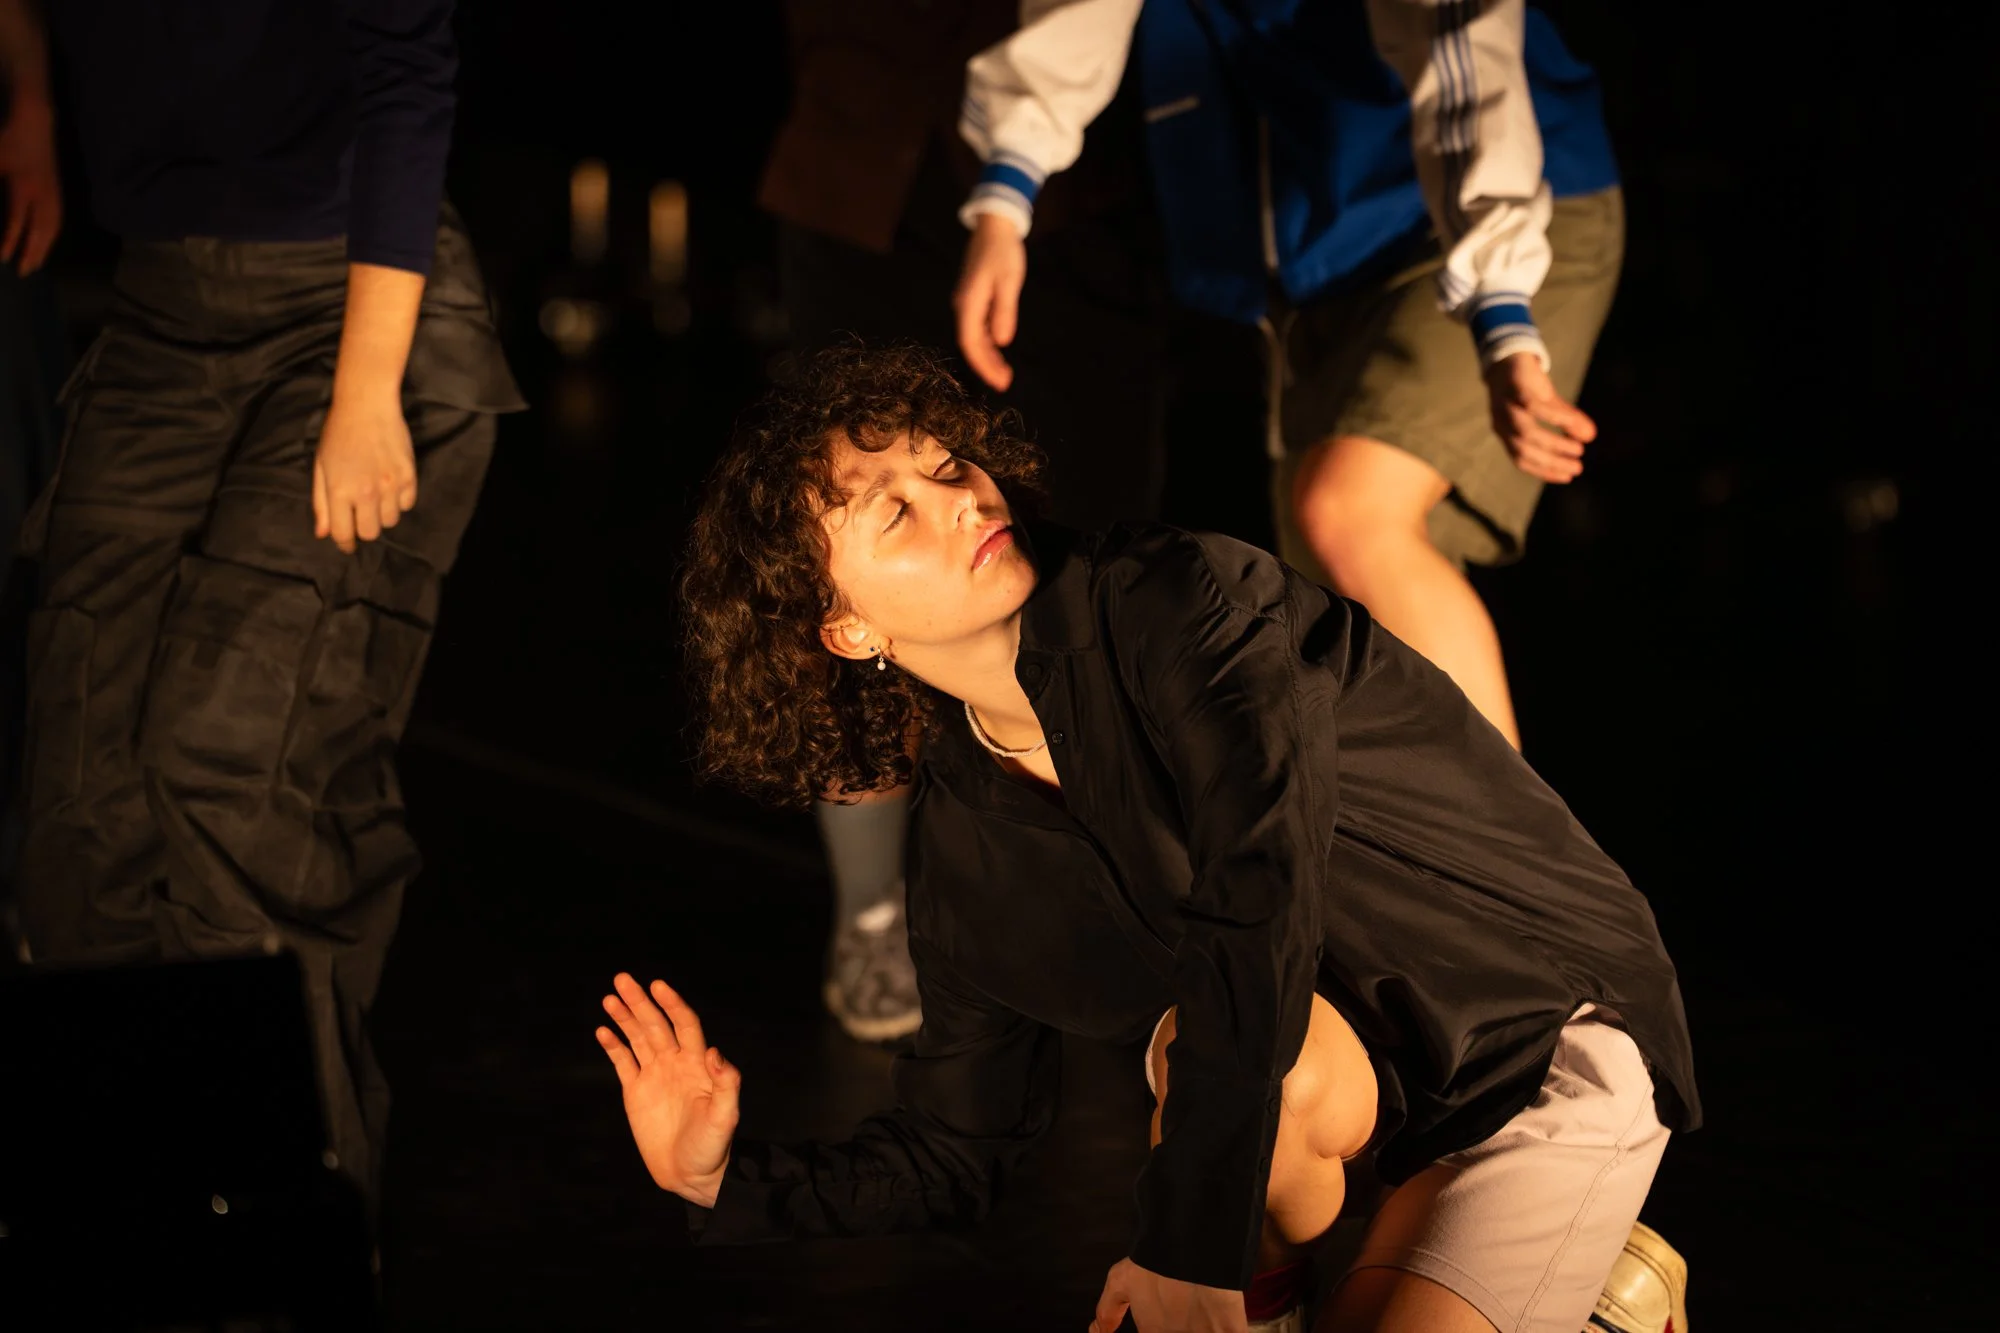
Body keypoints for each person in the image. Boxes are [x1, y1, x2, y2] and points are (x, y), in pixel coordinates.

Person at [598, 344, 1698, 1333]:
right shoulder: (965, 846)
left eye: (947, 466)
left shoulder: (1181, 600)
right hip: (1360, 1105)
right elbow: (955, 1148)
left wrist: (1184, 1240)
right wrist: (720, 1179)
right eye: (894, 514)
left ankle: (1567, 1281)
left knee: (1208, 1058)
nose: (960, 500)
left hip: (1538, 1039)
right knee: (1208, 1062)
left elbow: (1257, 901)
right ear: (845, 629)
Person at [7, 0, 523, 1213]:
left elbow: (407, 67)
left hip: (352, 301)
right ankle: (135, 1219)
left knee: (233, 770)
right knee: (78, 801)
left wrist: (366, 388)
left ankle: (287, 1232)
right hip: (162, 303)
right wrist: (29, 103)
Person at [953, 0, 1625, 748]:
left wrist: (1502, 316)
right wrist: (1004, 205)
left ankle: (1505, 831)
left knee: (1349, 513)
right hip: (1319, 251)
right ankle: (1420, 825)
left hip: (1496, 214)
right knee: (1334, 618)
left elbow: (1463, 55)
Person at [758, 0, 1169, 1042]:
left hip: (1069, 203)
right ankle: (872, 909)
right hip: (860, 174)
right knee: (850, 555)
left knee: (1079, 552)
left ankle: (1110, 890)